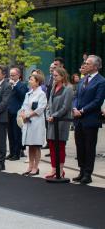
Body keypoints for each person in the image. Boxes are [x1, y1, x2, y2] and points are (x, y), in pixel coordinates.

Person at [72, 55, 105, 184]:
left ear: (95, 66)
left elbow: (98, 101)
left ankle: (88, 173)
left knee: (89, 147)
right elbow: (76, 96)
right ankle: (81, 171)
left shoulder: (101, 81)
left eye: (88, 63)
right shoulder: (82, 80)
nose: (85, 65)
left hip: (90, 119)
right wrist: (74, 108)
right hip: (78, 119)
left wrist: (83, 110)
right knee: (79, 146)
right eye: (85, 63)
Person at [45, 67, 73, 178]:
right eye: (53, 75)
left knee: (60, 146)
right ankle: (53, 169)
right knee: (51, 145)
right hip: (51, 121)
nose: (54, 77)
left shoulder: (68, 89)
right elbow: (49, 104)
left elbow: (65, 107)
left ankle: (60, 170)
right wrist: (48, 115)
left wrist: (54, 116)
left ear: (62, 76)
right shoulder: (53, 87)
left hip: (61, 122)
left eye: (56, 76)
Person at [19, 73, 47, 176]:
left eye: (31, 79)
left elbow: (41, 108)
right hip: (27, 122)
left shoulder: (41, 94)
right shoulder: (28, 93)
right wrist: (22, 113)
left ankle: (36, 167)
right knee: (30, 145)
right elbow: (24, 105)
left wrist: (29, 115)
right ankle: (30, 166)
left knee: (36, 145)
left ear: (37, 82)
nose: (29, 81)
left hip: (36, 122)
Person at [7, 67, 28, 161]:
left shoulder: (22, 85)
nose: (11, 77)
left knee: (16, 134)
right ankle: (11, 152)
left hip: (17, 113)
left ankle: (17, 153)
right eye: (10, 75)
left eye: (13, 75)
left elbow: (23, 96)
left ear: (18, 75)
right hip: (8, 112)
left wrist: (14, 86)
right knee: (10, 134)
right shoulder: (8, 85)